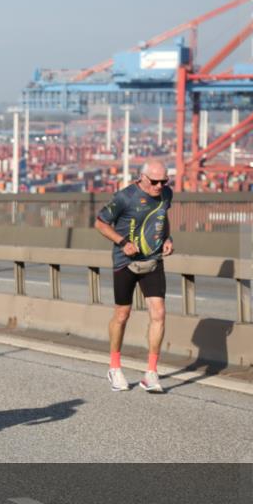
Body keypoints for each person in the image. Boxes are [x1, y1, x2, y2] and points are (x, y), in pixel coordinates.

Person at [94, 159, 174, 393]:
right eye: (155, 182)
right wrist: (122, 242)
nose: (159, 186)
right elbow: (100, 223)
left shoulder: (166, 194)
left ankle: (151, 373)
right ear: (142, 178)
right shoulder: (125, 197)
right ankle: (114, 367)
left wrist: (167, 238)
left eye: (164, 181)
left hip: (152, 260)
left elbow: (162, 218)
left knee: (159, 313)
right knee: (122, 314)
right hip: (125, 262)